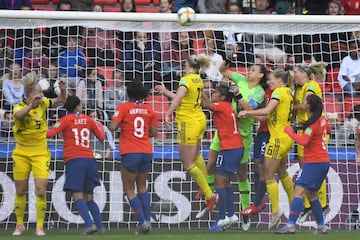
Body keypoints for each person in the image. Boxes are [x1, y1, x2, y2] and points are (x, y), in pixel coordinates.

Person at [155, 55, 218, 214]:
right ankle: (206, 188)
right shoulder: (198, 79)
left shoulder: (186, 80)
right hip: (199, 120)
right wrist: (165, 91)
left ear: (187, 65)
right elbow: (196, 100)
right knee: (196, 156)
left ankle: (210, 195)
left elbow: (179, 98)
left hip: (187, 123)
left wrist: (168, 113)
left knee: (188, 163)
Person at [238, 69, 295, 229]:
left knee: (267, 175)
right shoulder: (288, 92)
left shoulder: (279, 92)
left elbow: (267, 111)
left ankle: (276, 211)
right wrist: (250, 114)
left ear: (279, 80)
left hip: (277, 139)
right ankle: (294, 206)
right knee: (282, 172)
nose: (269, 82)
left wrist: (248, 111)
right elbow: (267, 117)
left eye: (271, 79)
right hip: (287, 137)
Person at [11, 72, 66, 236]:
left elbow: (61, 101)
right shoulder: (19, 106)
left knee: (41, 190)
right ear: (29, 96)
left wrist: (63, 90)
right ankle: (19, 225)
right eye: (38, 94)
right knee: (20, 190)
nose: (41, 96)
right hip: (21, 152)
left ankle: (40, 226)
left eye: (41, 94)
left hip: (40, 152)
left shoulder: (44, 103)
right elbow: (18, 116)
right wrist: (31, 106)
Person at [216, 60, 266, 230]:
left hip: (242, 134)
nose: (249, 71)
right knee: (212, 167)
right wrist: (228, 58)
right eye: (250, 69)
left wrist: (238, 95)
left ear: (260, 75)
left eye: (253, 70)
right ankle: (219, 207)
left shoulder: (259, 92)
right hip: (224, 129)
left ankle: (245, 211)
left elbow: (249, 109)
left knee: (241, 173)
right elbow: (222, 69)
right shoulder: (241, 80)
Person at [46, 96, 106, 234]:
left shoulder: (65, 120)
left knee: (77, 196)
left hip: (74, 159)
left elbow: (50, 134)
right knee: (89, 196)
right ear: (78, 106)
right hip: (89, 160)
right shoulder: (89, 119)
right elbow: (102, 137)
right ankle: (101, 227)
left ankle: (90, 225)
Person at [275, 94, 331, 234]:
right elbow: (327, 130)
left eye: (305, 101)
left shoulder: (312, 123)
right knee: (312, 194)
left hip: (314, 162)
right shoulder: (321, 119)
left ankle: (290, 225)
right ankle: (321, 226)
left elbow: (304, 141)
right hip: (323, 161)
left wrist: (290, 132)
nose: (302, 102)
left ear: (308, 106)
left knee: (299, 191)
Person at [108, 79, 157, 234]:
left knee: (129, 189)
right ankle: (148, 220)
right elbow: (154, 133)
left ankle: (142, 222)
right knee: (142, 187)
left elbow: (113, 127)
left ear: (128, 93)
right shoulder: (150, 110)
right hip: (146, 151)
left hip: (130, 151)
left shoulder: (123, 108)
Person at [201, 84, 244, 231]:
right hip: (236, 147)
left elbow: (205, 104)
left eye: (215, 93)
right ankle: (231, 215)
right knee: (225, 183)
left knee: (219, 184)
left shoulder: (221, 106)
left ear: (223, 97)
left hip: (230, 149)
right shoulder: (228, 106)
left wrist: (197, 90)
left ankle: (222, 218)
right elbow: (208, 103)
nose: (212, 94)